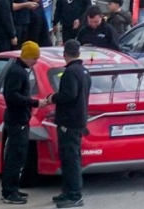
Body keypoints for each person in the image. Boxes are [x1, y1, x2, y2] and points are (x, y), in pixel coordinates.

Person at [1, 42, 47, 205]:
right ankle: (9, 192)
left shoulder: (17, 69)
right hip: (17, 119)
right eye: (35, 58)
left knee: (18, 156)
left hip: (17, 118)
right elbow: (12, 96)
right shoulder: (18, 72)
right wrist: (34, 102)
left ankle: (11, 189)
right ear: (27, 56)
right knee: (15, 157)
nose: (36, 61)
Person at [49, 40, 90, 208]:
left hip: (69, 121)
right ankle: (67, 191)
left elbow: (69, 95)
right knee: (70, 157)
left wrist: (53, 98)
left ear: (64, 53)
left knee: (70, 158)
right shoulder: (84, 71)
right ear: (79, 53)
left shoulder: (70, 72)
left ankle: (74, 195)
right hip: (79, 119)